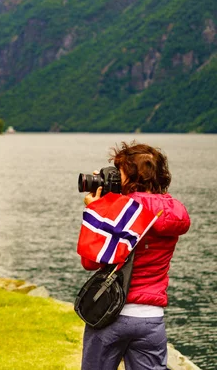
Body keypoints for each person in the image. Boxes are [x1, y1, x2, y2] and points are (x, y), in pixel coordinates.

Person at [80, 142, 191, 370]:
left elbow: (90, 261)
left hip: (110, 314)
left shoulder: (117, 210)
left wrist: (96, 211)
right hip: (151, 320)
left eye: (118, 172)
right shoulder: (171, 212)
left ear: (130, 176)